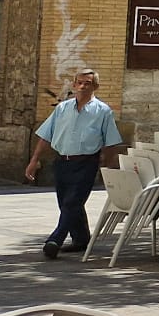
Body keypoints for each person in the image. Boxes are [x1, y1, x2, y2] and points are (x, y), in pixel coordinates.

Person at [25, 68, 123, 260]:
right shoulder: (62, 108)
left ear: (95, 86)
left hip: (86, 163)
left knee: (73, 202)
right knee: (67, 203)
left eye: (87, 83)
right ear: (74, 85)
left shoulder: (102, 111)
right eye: (79, 82)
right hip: (62, 162)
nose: (82, 86)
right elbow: (46, 135)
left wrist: (108, 166)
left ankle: (55, 239)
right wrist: (34, 160)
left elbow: (111, 142)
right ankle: (81, 239)